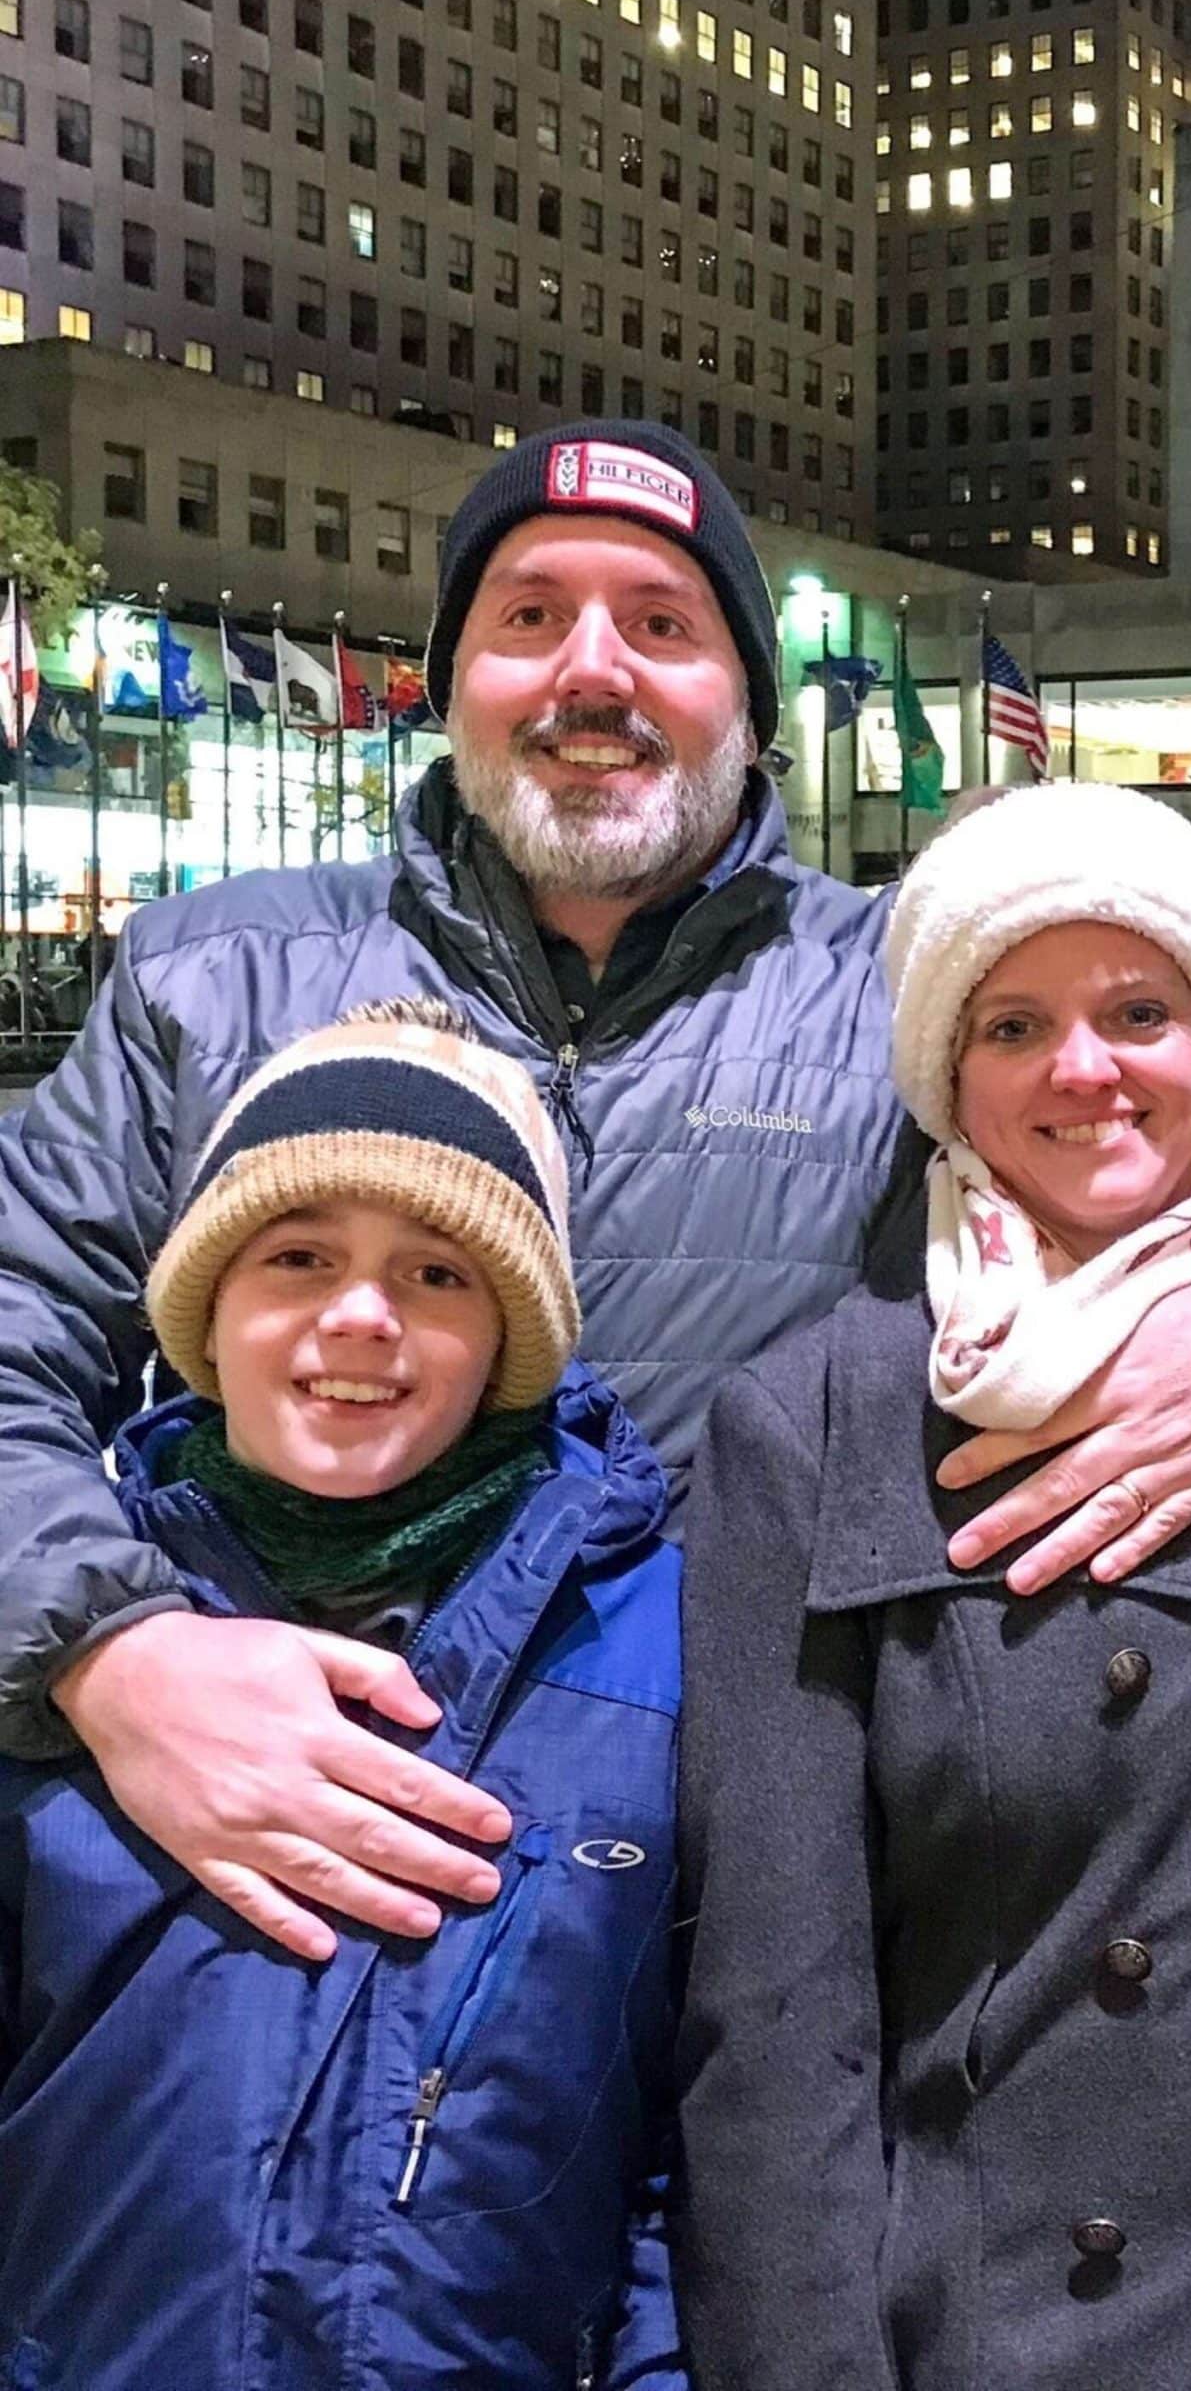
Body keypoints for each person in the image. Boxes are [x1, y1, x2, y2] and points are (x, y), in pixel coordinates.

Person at [0, 419, 1191, 1966]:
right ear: (452, 682)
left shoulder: (900, 992)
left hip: (723, 1883)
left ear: (749, 705)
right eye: (528, 616)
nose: (594, 672)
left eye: (663, 624)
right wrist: (107, 1650)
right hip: (252, 1858)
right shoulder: (210, 975)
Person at [676, 783, 1191, 2390]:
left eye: (1140, 1011)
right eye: (1015, 1024)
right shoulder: (817, 1424)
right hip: (992, 2336)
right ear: (949, 1080)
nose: (1084, 1070)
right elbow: (777, 2036)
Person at [0, 1001, 682, 2388]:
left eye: (439, 1274)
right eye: (298, 1256)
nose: (360, 1317)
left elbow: (704, 2124)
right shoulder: (47, 1647)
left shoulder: (662, 1648)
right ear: (206, 1306)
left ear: (512, 1336)